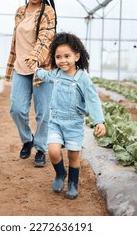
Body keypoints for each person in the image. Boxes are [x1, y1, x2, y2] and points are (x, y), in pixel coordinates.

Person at [30, 32, 106, 199]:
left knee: (73, 155)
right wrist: (36, 69)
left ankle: (73, 183)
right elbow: (45, 75)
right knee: (53, 151)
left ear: (76, 56)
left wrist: (98, 121)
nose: (62, 60)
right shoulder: (56, 74)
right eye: (58, 57)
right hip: (56, 121)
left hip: (74, 124)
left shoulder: (83, 78)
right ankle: (60, 174)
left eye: (67, 56)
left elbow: (92, 99)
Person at [5, 0, 57, 167]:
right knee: (17, 109)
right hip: (20, 67)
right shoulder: (19, 11)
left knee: (43, 113)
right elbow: (17, 39)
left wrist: (34, 57)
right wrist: (20, 60)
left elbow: (46, 37)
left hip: (41, 69)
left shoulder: (48, 12)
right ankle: (28, 140)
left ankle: (41, 148)